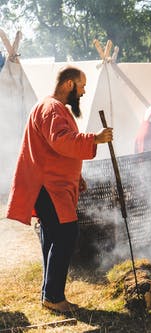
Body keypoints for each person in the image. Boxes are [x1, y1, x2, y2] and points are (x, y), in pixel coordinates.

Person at [6, 66, 113, 313]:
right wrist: (94, 139)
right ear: (68, 84)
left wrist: (77, 176)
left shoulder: (53, 108)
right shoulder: (52, 108)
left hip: (53, 183)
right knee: (66, 234)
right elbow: (61, 141)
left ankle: (50, 295)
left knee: (53, 236)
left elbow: (56, 150)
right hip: (49, 186)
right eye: (82, 86)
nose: (84, 92)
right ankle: (53, 296)